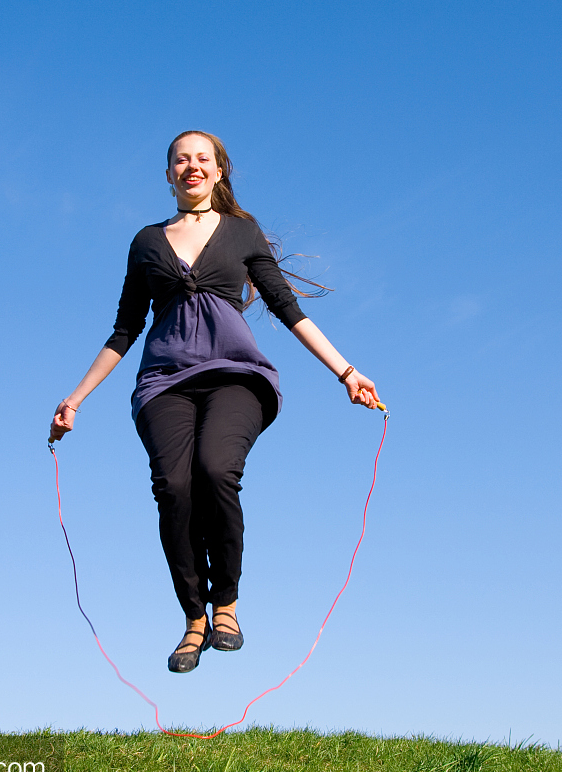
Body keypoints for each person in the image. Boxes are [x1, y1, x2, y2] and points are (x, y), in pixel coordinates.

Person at [49, 131, 380, 673]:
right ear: (169, 174)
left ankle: (226, 603)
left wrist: (346, 371)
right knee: (174, 487)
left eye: (203, 159)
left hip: (236, 376)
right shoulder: (147, 242)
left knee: (215, 470)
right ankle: (193, 618)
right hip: (164, 381)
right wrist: (75, 398)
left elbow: (288, 309)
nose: (192, 166)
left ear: (219, 171)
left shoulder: (242, 233)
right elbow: (126, 328)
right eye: (181, 159)